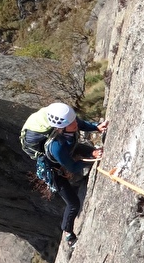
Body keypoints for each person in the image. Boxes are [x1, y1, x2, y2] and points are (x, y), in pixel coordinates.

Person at [21, 102, 107, 250]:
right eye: (71, 122)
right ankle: (68, 234)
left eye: (73, 120)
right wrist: (91, 158)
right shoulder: (57, 146)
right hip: (53, 171)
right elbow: (72, 166)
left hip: (69, 149)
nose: (75, 123)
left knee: (90, 150)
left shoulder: (66, 123)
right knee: (73, 204)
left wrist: (95, 127)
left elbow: (78, 123)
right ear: (60, 128)